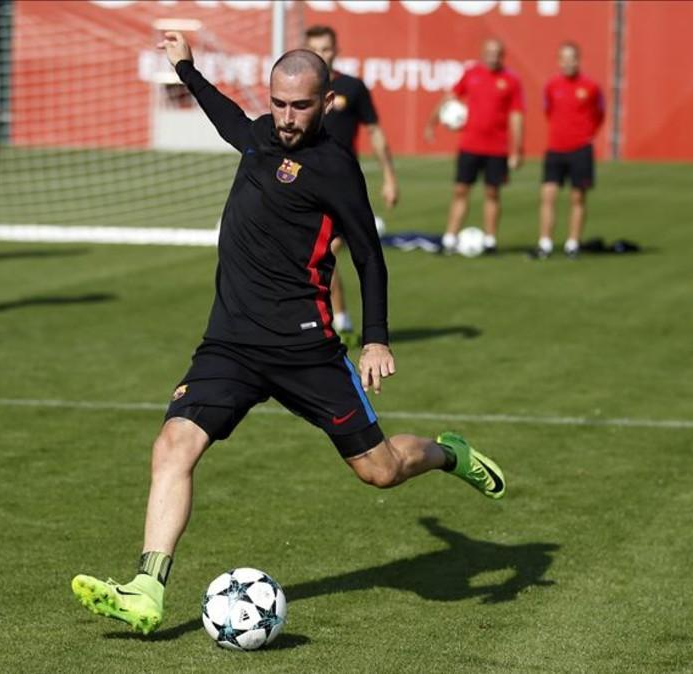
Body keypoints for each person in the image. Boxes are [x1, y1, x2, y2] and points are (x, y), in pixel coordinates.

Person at [70, 32, 506, 636]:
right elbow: (226, 115)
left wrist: (375, 337)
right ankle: (146, 589)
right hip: (230, 344)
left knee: (379, 471)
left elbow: (370, 258)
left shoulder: (335, 169)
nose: (285, 117)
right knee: (173, 445)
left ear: (326, 102)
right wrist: (187, 69)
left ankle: (447, 452)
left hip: (306, 349)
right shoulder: (257, 136)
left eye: (299, 106)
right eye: (277, 103)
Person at [304, 25, 399, 343]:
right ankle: (337, 318)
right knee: (320, 252)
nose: (321, 54)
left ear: (336, 49)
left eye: (326, 48)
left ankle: (340, 319)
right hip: (307, 187)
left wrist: (389, 177)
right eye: (315, 48)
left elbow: (375, 132)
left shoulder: (353, 88)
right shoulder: (300, 90)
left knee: (338, 250)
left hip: (344, 187)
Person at [425, 39, 524, 255]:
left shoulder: (511, 81)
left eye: (497, 53)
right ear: (482, 53)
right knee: (461, 190)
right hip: (470, 145)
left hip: (497, 148)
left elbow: (516, 115)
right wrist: (432, 122)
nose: (492, 56)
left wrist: (517, 149)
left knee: (492, 193)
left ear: (502, 55)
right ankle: (450, 239)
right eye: (489, 52)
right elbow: (450, 96)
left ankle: (490, 241)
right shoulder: (471, 73)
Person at [534, 42, 604, 260]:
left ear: (578, 60)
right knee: (548, 195)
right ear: (558, 61)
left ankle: (572, 243)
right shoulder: (552, 86)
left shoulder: (591, 87)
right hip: (555, 148)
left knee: (578, 197)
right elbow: (548, 111)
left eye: (572, 58)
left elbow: (599, 114)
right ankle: (545, 243)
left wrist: (585, 134)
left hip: (580, 150)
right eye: (563, 58)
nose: (568, 62)